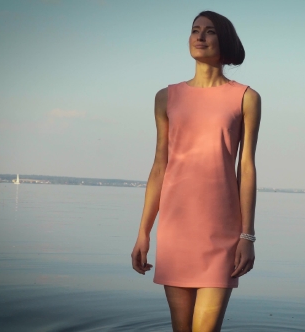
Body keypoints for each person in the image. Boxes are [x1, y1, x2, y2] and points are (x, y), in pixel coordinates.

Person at [131, 10, 261, 332]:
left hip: (222, 230)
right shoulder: (166, 97)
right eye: (195, 30)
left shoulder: (246, 97)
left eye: (210, 31)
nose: (200, 37)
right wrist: (143, 232)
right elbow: (160, 166)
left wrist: (247, 235)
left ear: (225, 41)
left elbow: (246, 167)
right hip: (176, 228)